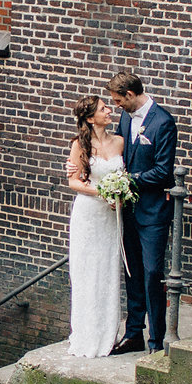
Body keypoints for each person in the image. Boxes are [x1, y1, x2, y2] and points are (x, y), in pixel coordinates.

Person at [108, 70, 177, 354]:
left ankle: (156, 341)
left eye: (118, 100)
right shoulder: (126, 117)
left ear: (131, 95)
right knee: (132, 272)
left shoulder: (163, 123)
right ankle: (134, 333)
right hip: (130, 211)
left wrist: (128, 180)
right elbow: (119, 154)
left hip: (154, 213)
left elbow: (163, 171)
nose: (116, 106)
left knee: (151, 273)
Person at [64, 94, 126, 357]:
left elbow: (126, 175)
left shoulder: (120, 142)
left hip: (111, 217)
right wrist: (104, 192)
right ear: (91, 118)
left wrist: (120, 194)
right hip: (89, 215)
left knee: (108, 270)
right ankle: (87, 334)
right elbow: (74, 182)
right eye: (103, 109)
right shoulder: (80, 145)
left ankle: (107, 333)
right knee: (86, 272)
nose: (109, 111)